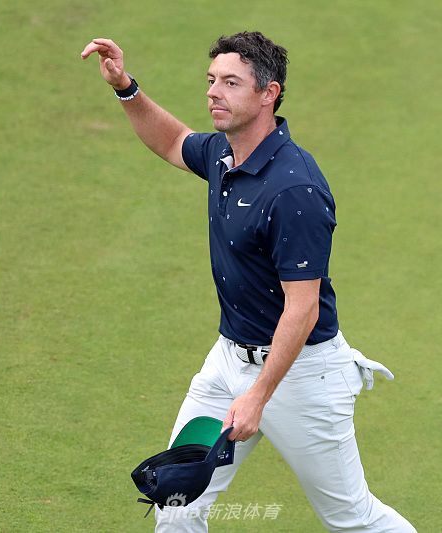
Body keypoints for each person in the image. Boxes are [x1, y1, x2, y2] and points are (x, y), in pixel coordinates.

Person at [81, 31, 416, 532]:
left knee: (352, 518)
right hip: (227, 364)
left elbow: (302, 308)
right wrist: (125, 87)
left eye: (230, 83)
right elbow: (172, 141)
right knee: (177, 505)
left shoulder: (295, 189)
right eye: (211, 80)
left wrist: (258, 395)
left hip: (302, 377)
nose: (213, 92)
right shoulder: (224, 154)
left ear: (268, 94)